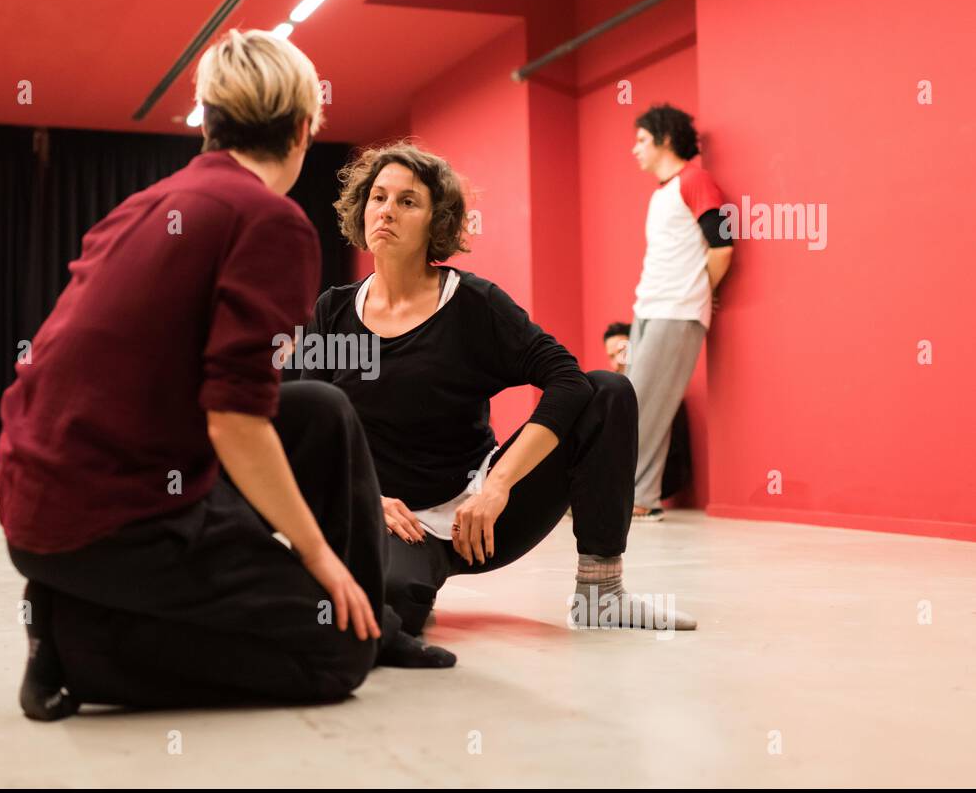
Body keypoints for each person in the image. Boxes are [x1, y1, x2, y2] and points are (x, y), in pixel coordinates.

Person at [0, 30, 443, 723]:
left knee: (320, 409)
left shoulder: (145, 204)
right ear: (301, 130)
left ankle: (368, 612)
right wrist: (319, 557)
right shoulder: (269, 220)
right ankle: (77, 637)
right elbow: (233, 419)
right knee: (333, 656)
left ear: (205, 123)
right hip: (104, 522)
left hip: (46, 494)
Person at [304, 142, 697, 643]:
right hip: (391, 517)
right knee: (387, 609)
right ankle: (412, 579)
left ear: (435, 221)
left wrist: (497, 485)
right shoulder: (334, 313)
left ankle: (602, 593)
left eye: (408, 201)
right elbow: (303, 424)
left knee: (607, 390)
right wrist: (361, 498)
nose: (387, 211)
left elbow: (567, 379)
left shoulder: (472, 304)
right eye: (378, 197)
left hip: (482, 515)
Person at [627, 104, 731, 520]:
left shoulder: (696, 179)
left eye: (641, 140)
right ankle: (644, 496)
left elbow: (722, 245)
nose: (634, 150)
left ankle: (636, 496)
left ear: (665, 139)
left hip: (677, 309)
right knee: (637, 402)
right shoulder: (661, 193)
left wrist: (702, 289)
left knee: (639, 403)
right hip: (648, 306)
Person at [603, 321, 691, 501]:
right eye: (611, 356)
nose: (615, 364)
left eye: (622, 353)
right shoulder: (617, 394)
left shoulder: (659, 389)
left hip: (661, 477)